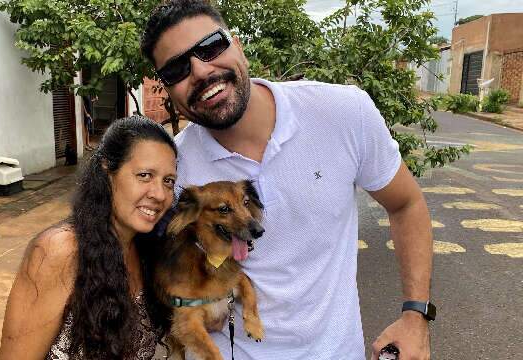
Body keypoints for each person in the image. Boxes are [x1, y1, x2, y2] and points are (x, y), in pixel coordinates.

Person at [141, 1, 435, 359]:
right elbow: (140, 256)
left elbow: (406, 204)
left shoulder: (344, 113)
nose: (201, 70)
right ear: (166, 88)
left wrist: (415, 315)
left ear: (237, 44)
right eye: (177, 68)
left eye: (210, 46)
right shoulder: (171, 168)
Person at [0, 115, 177, 360]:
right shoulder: (60, 251)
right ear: (108, 171)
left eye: (168, 181)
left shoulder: (147, 249)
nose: (159, 194)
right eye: (144, 175)